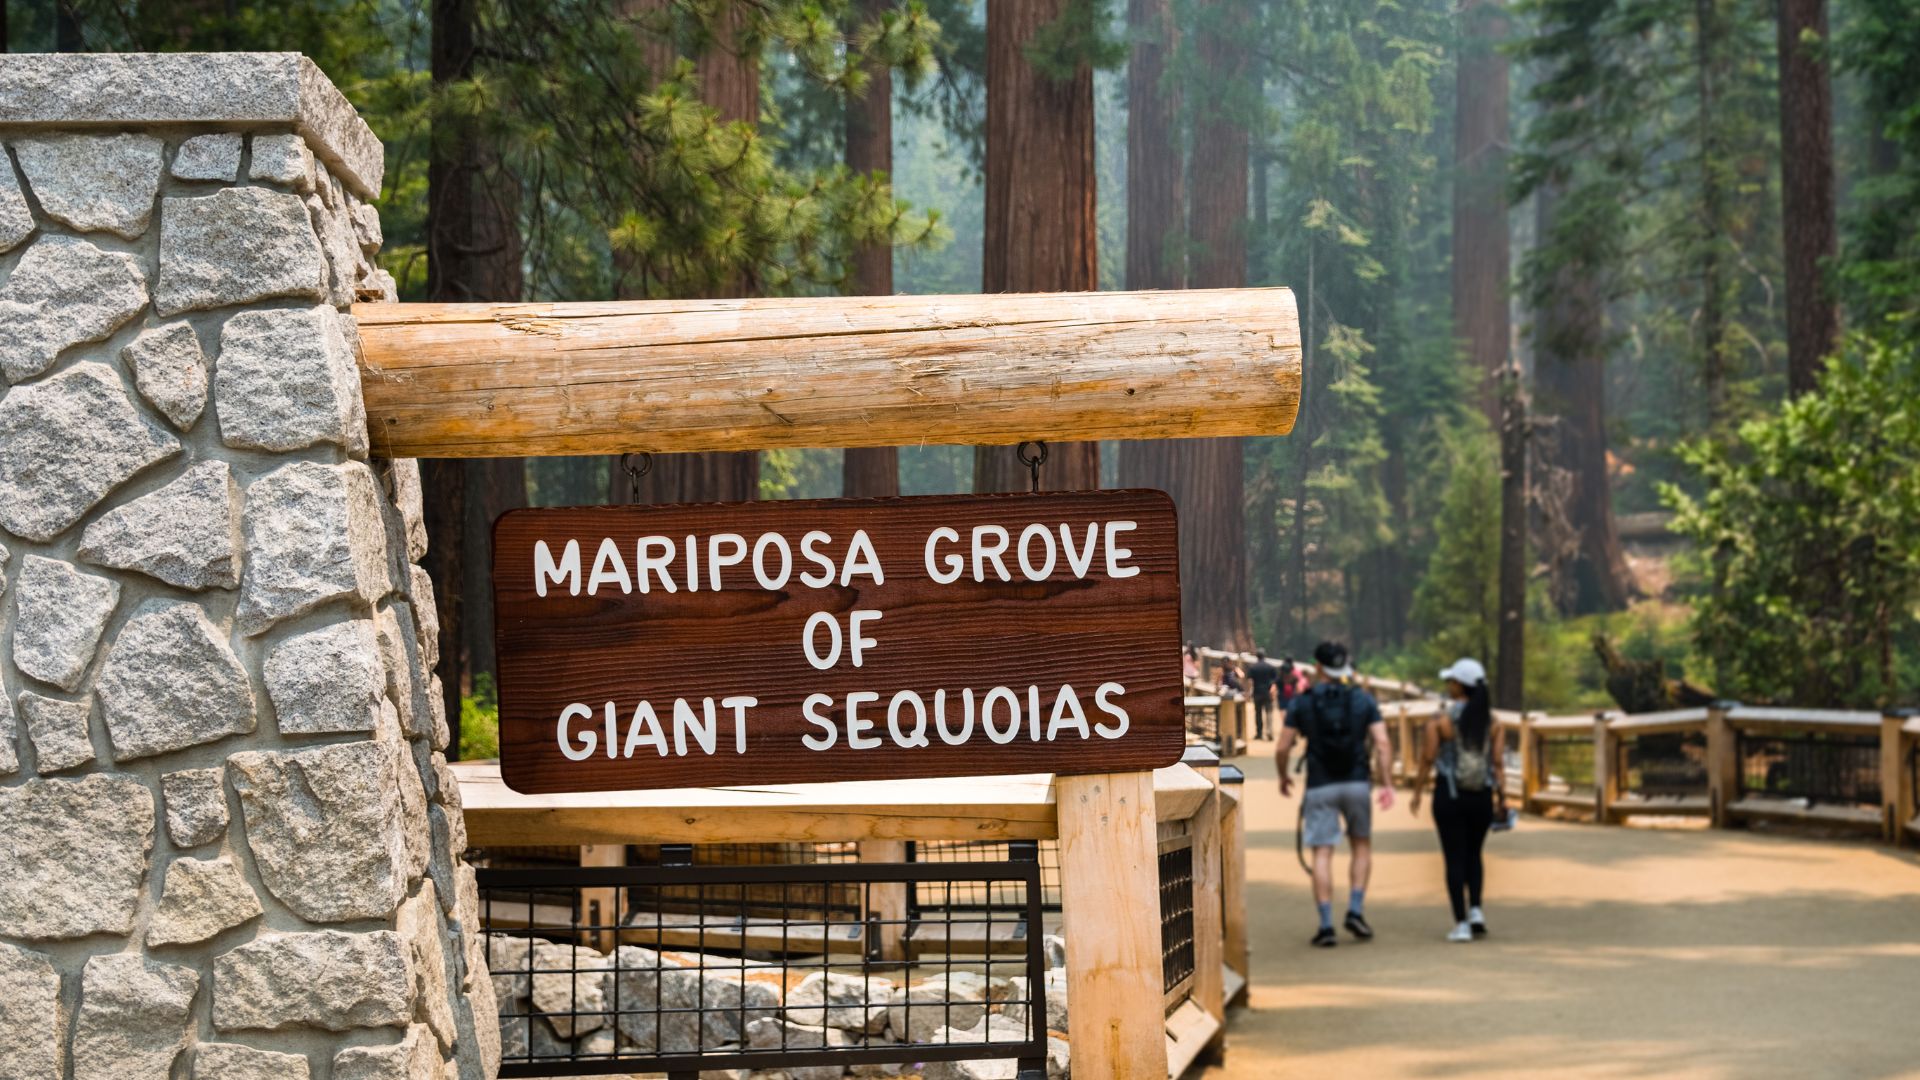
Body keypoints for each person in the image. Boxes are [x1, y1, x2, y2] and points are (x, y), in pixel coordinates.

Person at [1275, 641, 1395, 947]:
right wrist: (1387, 783)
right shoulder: (1362, 699)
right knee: (1361, 845)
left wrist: (1283, 775)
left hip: (1320, 784)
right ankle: (1355, 909)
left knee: (1323, 853)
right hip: (1356, 782)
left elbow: (1282, 746)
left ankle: (1326, 926)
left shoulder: (1303, 702)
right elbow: (1382, 744)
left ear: (1317, 667)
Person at [1410, 658, 1505, 943]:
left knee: (1454, 857)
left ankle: (1460, 923)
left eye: (1450, 681)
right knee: (1474, 854)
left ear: (1459, 685)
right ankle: (1476, 910)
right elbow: (1497, 763)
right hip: (1482, 796)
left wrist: (1416, 792)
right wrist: (1504, 798)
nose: (1448, 685)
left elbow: (1427, 758)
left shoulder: (1441, 721)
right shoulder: (1493, 722)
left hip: (1449, 797)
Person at [1247, 651, 1281, 740]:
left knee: (1258, 713)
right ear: (1264, 656)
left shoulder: (1253, 667)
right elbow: (1275, 681)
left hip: (1257, 693)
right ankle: (1269, 731)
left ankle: (1259, 733)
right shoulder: (1270, 667)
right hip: (1267, 693)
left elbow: (1250, 682)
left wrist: (1249, 693)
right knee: (1269, 712)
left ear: (1257, 657)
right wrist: (1273, 691)